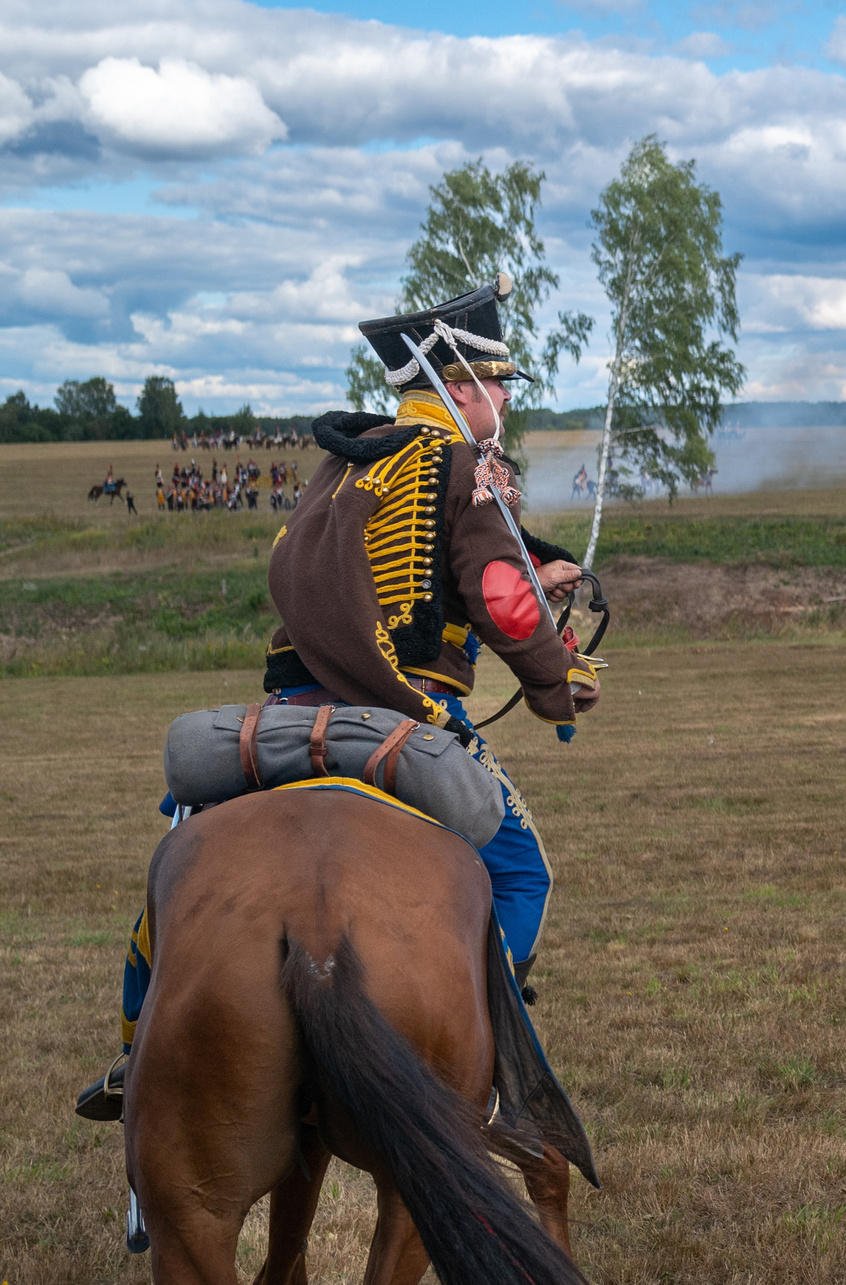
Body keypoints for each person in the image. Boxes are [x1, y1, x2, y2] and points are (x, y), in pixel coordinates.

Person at [78, 277, 598, 1121]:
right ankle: (483, 1051)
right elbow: (500, 595)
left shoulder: (350, 461)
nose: (503, 396)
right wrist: (556, 682)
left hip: (285, 709)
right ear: (459, 383)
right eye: (498, 381)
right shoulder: (463, 464)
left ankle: (138, 1052)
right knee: (521, 871)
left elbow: (380, 572)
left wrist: (532, 567)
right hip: (404, 706)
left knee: (178, 865)